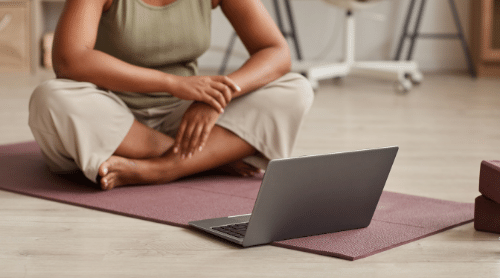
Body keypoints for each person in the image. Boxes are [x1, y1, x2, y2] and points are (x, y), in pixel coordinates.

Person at [28, 0, 314, 190]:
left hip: (185, 115)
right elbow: (69, 59)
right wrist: (172, 83)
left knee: (295, 89)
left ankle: (163, 169)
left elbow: (276, 51)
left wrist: (218, 96)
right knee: (50, 98)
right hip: (113, 117)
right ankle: (206, 159)